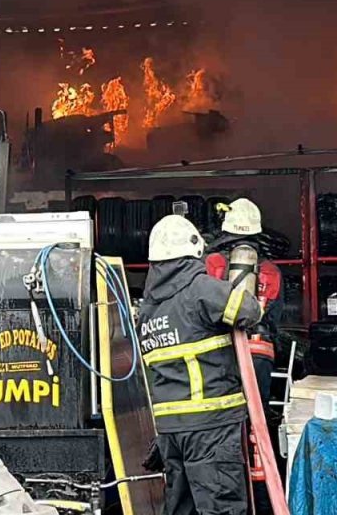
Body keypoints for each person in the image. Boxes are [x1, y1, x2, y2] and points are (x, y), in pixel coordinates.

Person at [139, 214, 263, 515]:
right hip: (211, 425)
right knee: (221, 507)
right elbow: (248, 310)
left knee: (182, 508)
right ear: (194, 252)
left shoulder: (148, 309)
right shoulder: (201, 289)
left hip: (170, 431)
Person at [204, 198, 283, 402]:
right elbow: (274, 320)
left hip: (220, 356)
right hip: (259, 354)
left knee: (224, 420)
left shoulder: (210, 263)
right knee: (256, 421)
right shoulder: (272, 271)